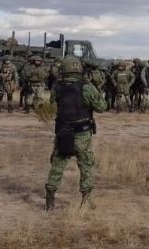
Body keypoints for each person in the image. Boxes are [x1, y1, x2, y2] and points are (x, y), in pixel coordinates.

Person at [44, 56, 107, 211]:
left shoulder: (57, 86)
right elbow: (102, 106)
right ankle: (86, 199)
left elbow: (51, 106)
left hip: (63, 131)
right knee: (86, 165)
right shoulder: (86, 86)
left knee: (58, 164)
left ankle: (50, 198)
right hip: (82, 133)